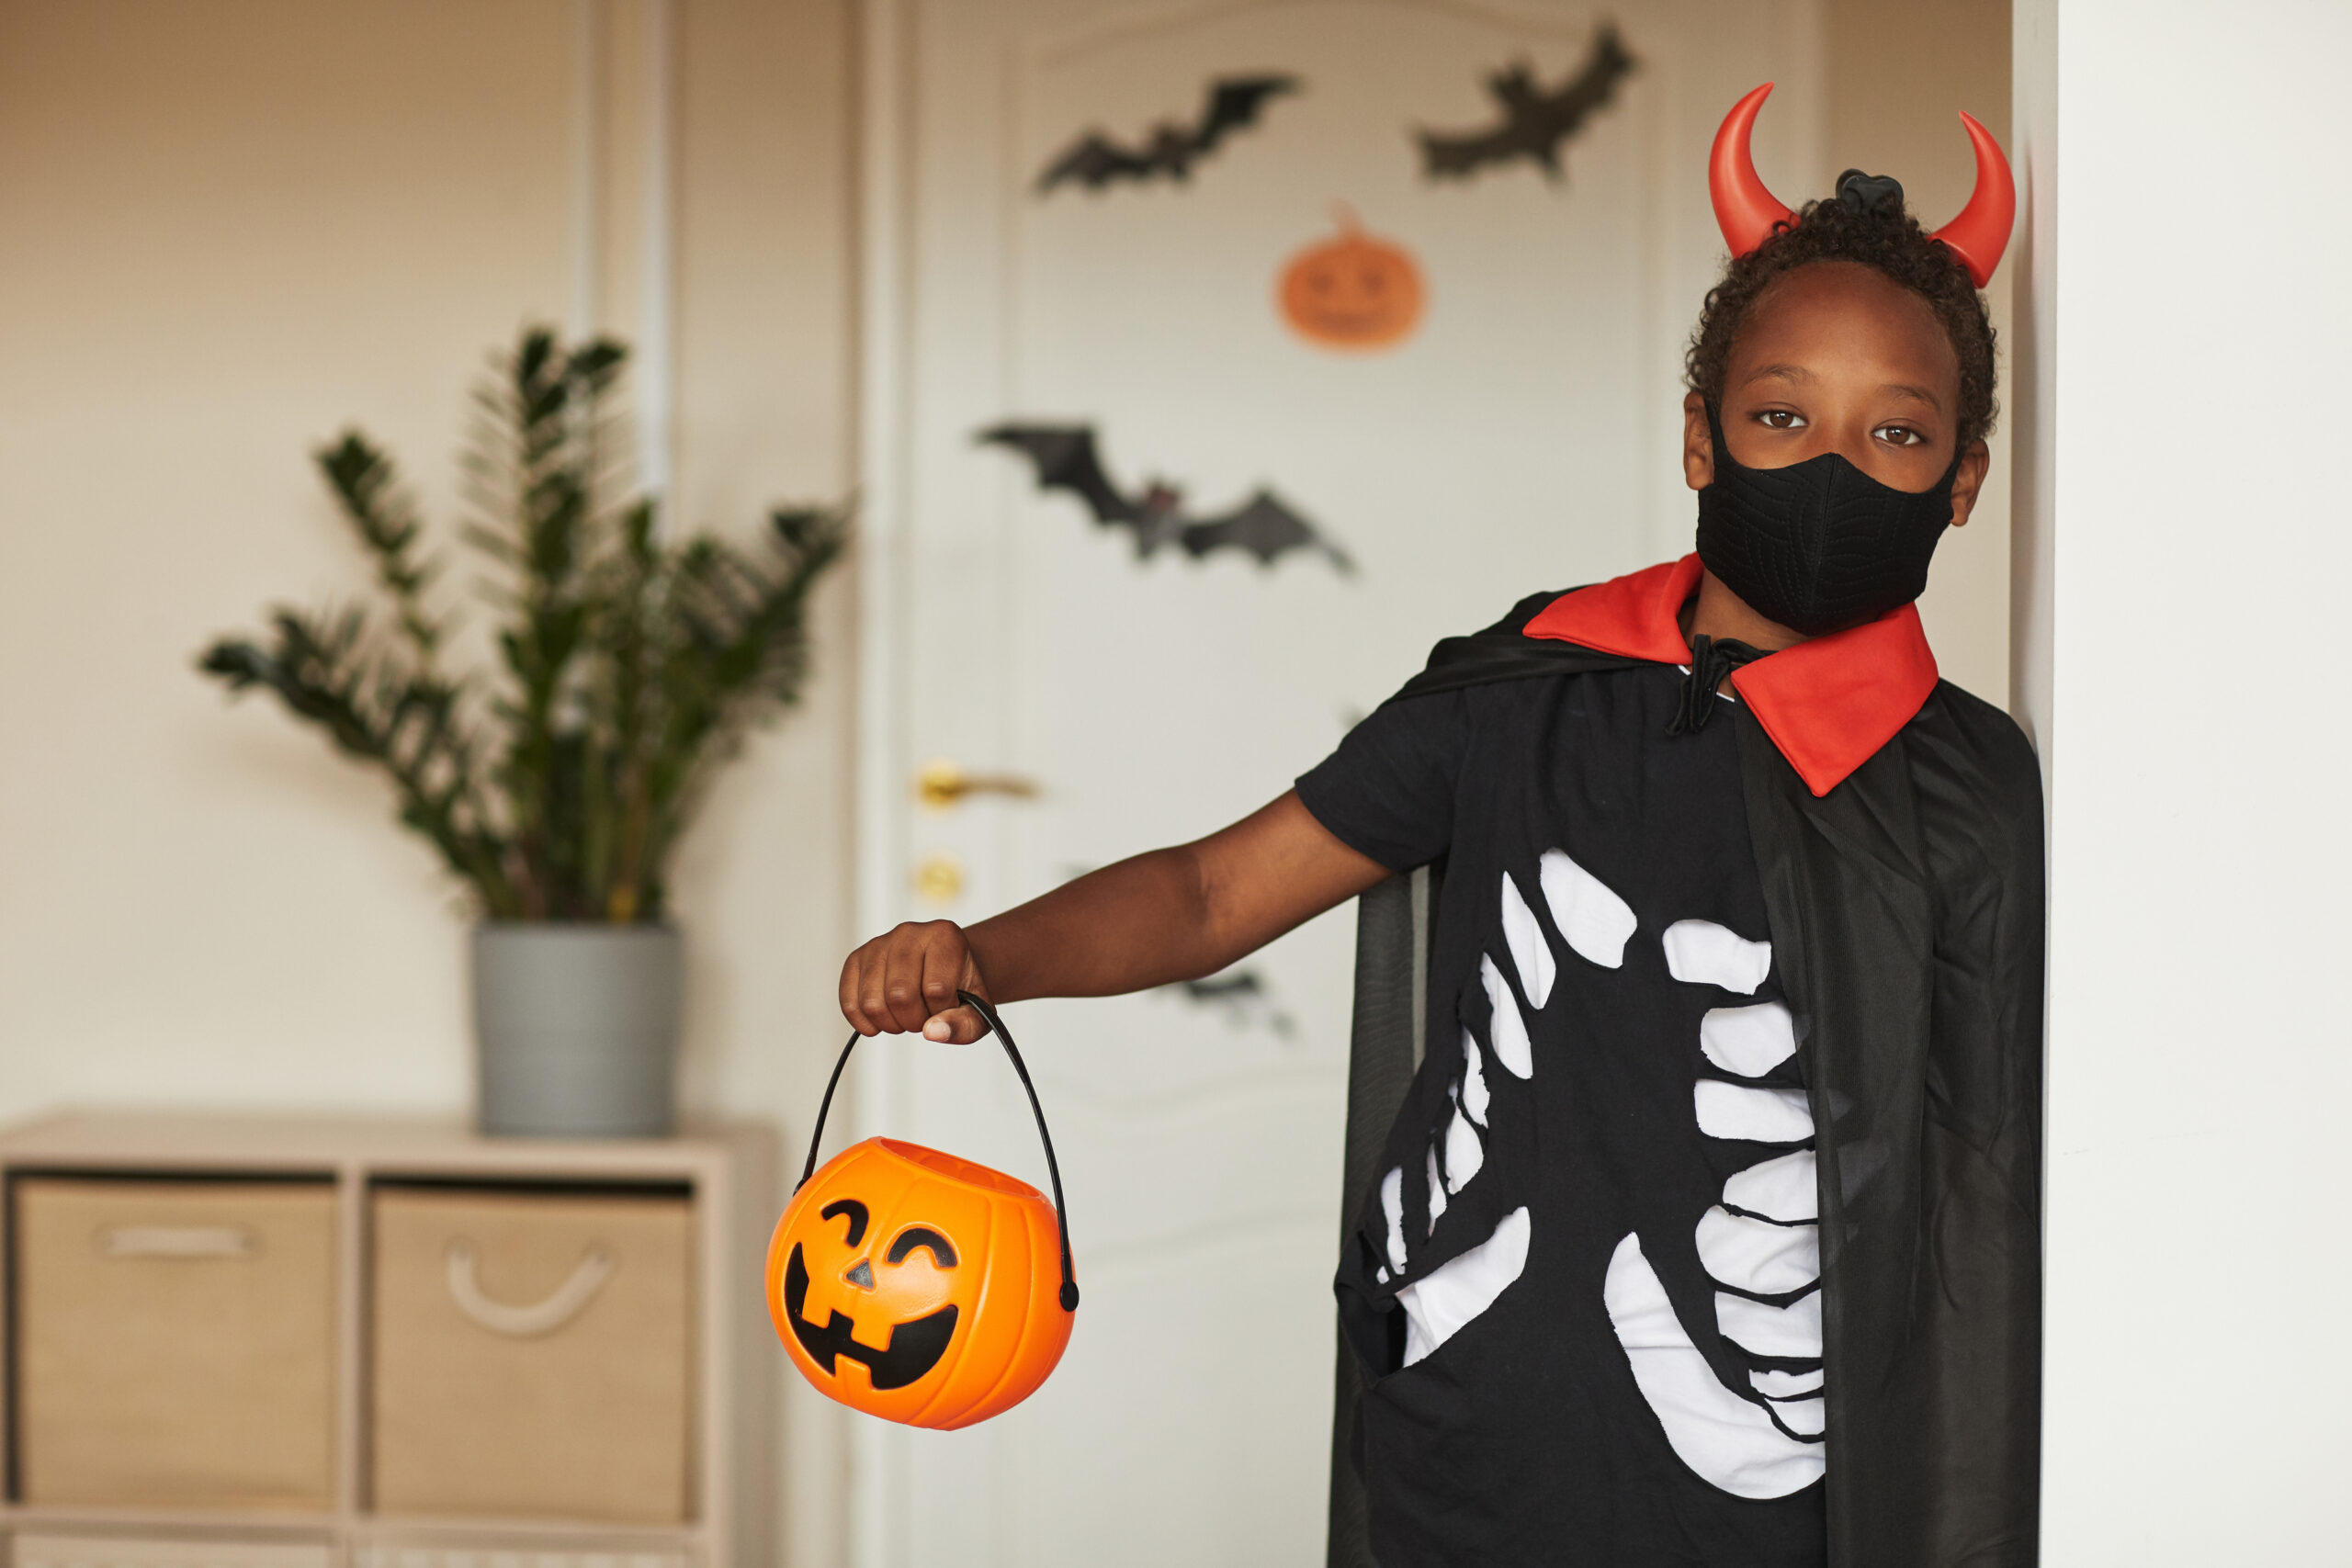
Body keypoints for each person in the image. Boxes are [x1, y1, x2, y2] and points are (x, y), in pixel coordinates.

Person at [839, 86, 2041, 1568]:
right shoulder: (1517, 696)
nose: (1831, 468)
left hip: (1775, 1511)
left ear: (1964, 483)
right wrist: (980, 955)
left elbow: (1990, 1197)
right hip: (1463, 1448)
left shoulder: (1967, 797)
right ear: (1698, 439)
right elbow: (1219, 892)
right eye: (1781, 415)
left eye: (1899, 435)